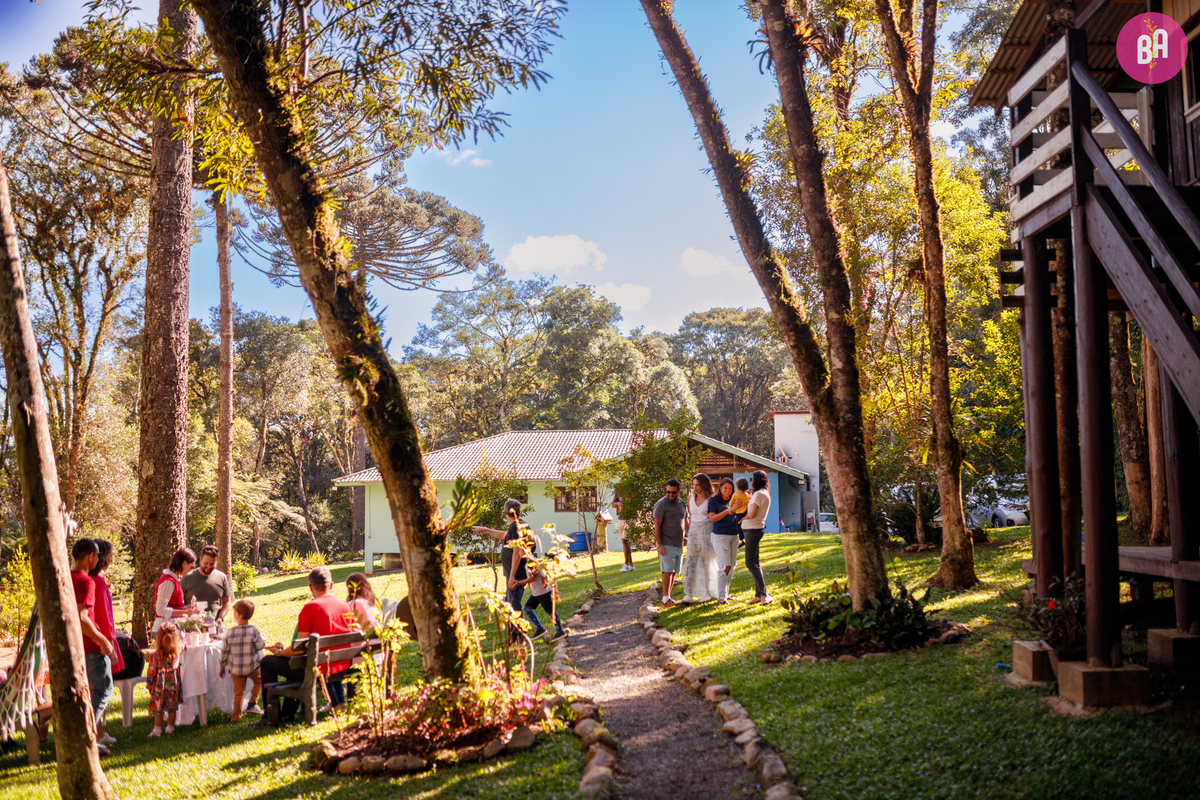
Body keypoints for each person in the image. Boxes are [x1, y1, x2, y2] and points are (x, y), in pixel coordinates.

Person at [258, 567, 354, 725]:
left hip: (316, 668)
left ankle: (270, 716)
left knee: (267, 662)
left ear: (310, 587)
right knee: (294, 663)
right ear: (331, 585)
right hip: (341, 664)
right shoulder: (344, 606)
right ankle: (287, 713)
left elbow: (300, 647)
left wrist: (280, 653)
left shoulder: (310, 608)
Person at [70, 538, 116, 755]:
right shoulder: (86, 581)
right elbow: (83, 618)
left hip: (73, 646)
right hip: (89, 645)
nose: (99, 560)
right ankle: (86, 736)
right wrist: (103, 640)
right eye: (98, 555)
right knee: (104, 689)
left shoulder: (66, 577)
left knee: (88, 691)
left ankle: (88, 736)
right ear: (90, 556)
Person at [471, 500, 528, 641]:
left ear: (505, 513)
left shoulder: (516, 527)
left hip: (516, 575)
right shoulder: (516, 526)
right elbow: (503, 535)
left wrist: (512, 576)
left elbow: (517, 553)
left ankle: (518, 637)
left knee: (514, 606)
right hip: (514, 574)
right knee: (511, 605)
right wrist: (484, 529)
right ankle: (513, 636)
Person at [89, 539, 124, 747]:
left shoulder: (85, 579)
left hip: (88, 641)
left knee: (94, 689)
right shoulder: (97, 582)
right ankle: (90, 732)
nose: (111, 559)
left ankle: (98, 733)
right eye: (110, 555)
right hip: (98, 643)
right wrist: (110, 645)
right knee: (101, 689)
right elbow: (103, 617)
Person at [219, 599, 266, 722]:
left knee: (239, 693)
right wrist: (262, 639)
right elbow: (260, 646)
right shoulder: (253, 630)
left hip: (236, 669)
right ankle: (252, 703)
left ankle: (236, 717)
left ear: (237, 614)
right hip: (252, 667)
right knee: (260, 680)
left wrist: (221, 667)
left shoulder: (229, 633)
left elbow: (224, 652)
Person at [681, 474, 719, 604]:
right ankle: (689, 594)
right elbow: (689, 516)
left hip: (707, 532)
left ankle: (707, 592)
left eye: (698, 485)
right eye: (693, 485)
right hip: (693, 532)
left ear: (704, 484)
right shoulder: (690, 498)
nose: (695, 487)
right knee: (691, 562)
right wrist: (688, 531)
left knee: (706, 563)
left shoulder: (711, 499)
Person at [652, 479, 687, 606]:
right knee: (667, 571)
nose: (670, 495)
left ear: (678, 491)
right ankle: (664, 599)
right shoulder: (661, 504)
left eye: (673, 492)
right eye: (668, 492)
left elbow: (685, 520)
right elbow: (657, 524)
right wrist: (659, 544)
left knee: (673, 571)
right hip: (666, 542)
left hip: (678, 543)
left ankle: (668, 598)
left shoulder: (682, 503)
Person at [181, 544, 234, 628]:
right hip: (192, 628)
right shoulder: (187, 578)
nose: (208, 566)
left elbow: (227, 601)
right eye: (206, 563)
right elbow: (179, 604)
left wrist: (220, 618)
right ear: (200, 560)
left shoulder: (222, 577)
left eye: (212, 564)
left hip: (214, 626)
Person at [146, 621, 182, 737]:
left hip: (159, 686)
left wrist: (149, 684)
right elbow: (182, 646)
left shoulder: (156, 655)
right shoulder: (176, 654)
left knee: (159, 708)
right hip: (173, 685)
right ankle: (170, 727)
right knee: (172, 708)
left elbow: (151, 671)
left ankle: (157, 730)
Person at [742, 471, 773, 605]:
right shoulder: (764, 493)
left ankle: (764, 594)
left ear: (756, 480)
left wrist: (742, 518)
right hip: (755, 529)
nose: (751, 482)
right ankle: (758, 594)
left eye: (752, 479)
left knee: (750, 563)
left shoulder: (759, 494)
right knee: (755, 562)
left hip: (752, 529)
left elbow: (752, 514)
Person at [709, 478, 740, 605]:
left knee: (731, 566)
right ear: (720, 488)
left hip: (734, 535)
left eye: (730, 488)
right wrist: (728, 511)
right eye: (725, 487)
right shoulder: (713, 500)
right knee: (724, 566)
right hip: (720, 536)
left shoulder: (734, 500)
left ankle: (726, 594)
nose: (728, 490)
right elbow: (712, 518)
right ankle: (721, 597)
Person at [153, 548, 197, 636]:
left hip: (171, 629)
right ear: (184, 564)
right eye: (191, 567)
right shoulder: (168, 581)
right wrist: (186, 612)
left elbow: (173, 606)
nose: (191, 570)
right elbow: (160, 610)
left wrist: (187, 608)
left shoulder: (174, 579)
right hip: (164, 631)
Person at [522, 556, 565, 641]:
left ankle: (560, 632)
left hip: (543, 592)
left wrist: (519, 583)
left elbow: (532, 578)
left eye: (519, 550)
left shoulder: (531, 562)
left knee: (550, 612)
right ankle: (539, 629)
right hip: (536, 592)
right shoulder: (530, 561)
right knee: (527, 608)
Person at [613, 496, 635, 573]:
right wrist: (618, 503)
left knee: (625, 539)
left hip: (630, 518)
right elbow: (613, 504)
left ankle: (626, 564)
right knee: (625, 542)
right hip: (621, 518)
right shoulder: (618, 490)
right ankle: (631, 565)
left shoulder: (632, 491)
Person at [731, 478, 751, 544]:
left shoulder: (735, 495)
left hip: (738, 514)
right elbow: (749, 503)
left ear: (737, 487)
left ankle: (741, 539)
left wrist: (732, 507)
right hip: (745, 513)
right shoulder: (747, 495)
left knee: (738, 526)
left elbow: (730, 504)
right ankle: (746, 538)